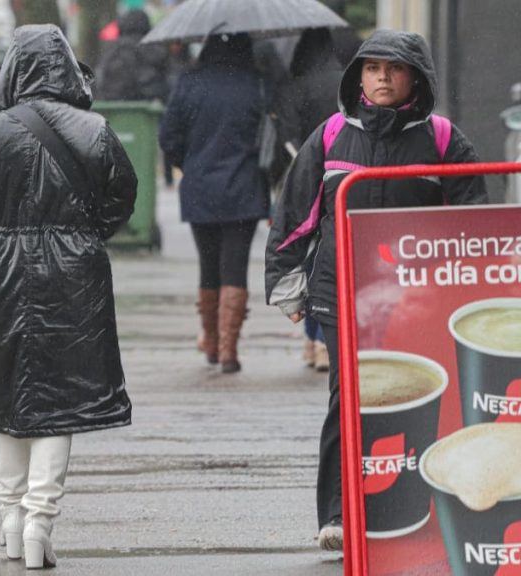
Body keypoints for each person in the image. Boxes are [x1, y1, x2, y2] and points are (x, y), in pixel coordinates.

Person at [0, 25, 137, 570]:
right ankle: (40, 520)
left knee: (5, 392)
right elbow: (122, 194)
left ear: (12, 70)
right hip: (73, 273)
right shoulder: (94, 130)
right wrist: (84, 233)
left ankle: (11, 518)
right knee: (60, 400)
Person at [264, 30, 487, 552]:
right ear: (357, 77)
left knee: (423, 399)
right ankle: (338, 514)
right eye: (371, 68)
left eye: (394, 68)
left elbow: (473, 222)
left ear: (417, 77)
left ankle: (427, 507)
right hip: (342, 291)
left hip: (420, 299)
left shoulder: (443, 140)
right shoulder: (331, 135)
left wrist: (473, 283)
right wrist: (286, 284)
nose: (382, 77)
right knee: (348, 398)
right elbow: (295, 215)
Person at [159, 33, 270, 374]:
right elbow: (270, 138)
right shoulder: (256, 84)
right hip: (244, 186)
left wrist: (188, 164)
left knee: (208, 265)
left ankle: (209, 340)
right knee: (235, 266)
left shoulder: (189, 83)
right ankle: (228, 351)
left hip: (200, 187)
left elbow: (168, 136)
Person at [274, 27, 346, 372]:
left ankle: (312, 338)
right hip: (344, 177)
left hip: (307, 181)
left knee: (310, 257)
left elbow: (286, 136)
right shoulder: (347, 83)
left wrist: (302, 165)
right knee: (333, 256)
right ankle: (322, 339)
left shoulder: (296, 86)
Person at [94, 9, 169, 103]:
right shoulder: (155, 48)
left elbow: (99, 79)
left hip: (113, 105)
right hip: (147, 105)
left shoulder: (111, 49)